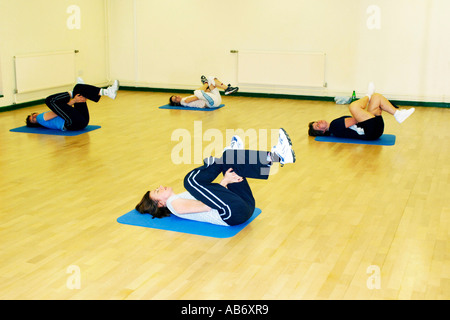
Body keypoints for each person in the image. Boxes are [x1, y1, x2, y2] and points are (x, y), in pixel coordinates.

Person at [135, 129, 296, 226]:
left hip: (244, 206)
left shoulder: (179, 198)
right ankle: (225, 157)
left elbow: (214, 196)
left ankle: (276, 157)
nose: (160, 186)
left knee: (231, 165)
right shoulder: (174, 206)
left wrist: (225, 181)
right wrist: (224, 181)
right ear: (161, 203)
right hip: (233, 214)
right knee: (189, 180)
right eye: (157, 191)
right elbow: (207, 205)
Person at [308, 83, 415, 140]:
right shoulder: (334, 126)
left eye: (317, 121)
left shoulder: (335, 126)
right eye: (317, 125)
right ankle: (368, 94)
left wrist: (369, 111)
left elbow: (360, 118)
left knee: (376, 97)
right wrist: (364, 111)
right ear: (322, 132)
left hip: (374, 130)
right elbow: (356, 120)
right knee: (353, 107)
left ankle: (397, 114)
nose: (319, 122)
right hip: (370, 132)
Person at [25, 78, 119, 131]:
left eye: (32, 116)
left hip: (82, 121)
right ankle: (74, 92)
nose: (34, 117)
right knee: (49, 101)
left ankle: (107, 92)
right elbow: (56, 113)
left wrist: (73, 101)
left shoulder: (42, 118)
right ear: (35, 123)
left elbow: (62, 110)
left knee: (78, 88)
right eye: (32, 120)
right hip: (73, 123)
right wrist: (73, 101)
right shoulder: (40, 119)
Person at [169, 75, 239, 108]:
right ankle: (206, 83)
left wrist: (207, 90)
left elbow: (203, 96)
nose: (177, 97)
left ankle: (227, 89)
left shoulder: (184, 99)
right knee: (196, 92)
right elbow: (193, 99)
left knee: (211, 79)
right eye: (175, 99)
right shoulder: (183, 102)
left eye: (175, 96)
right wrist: (204, 92)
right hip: (211, 103)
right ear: (176, 103)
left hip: (216, 101)